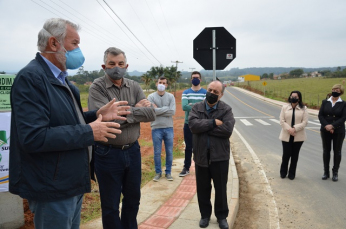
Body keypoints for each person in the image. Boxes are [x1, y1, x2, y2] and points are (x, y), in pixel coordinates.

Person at [9, 18, 130, 229]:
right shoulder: (31, 78)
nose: (78, 50)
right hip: (52, 186)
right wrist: (89, 132)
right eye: (74, 43)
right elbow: (34, 137)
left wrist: (96, 115)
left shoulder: (63, 80)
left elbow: (68, 121)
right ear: (54, 43)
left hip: (70, 182)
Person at [88, 47, 156, 229]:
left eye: (120, 64)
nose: (116, 67)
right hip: (107, 153)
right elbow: (104, 119)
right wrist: (136, 108)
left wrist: (124, 112)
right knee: (110, 206)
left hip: (133, 151)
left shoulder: (133, 86)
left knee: (133, 199)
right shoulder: (97, 87)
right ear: (104, 66)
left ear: (126, 65)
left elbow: (150, 114)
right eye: (112, 64)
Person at [188, 80, 235, 229]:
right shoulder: (196, 107)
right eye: (210, 90)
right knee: (203, 188)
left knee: (221, 188)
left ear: (220, 95)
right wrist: (214, 123)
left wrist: (204, 126)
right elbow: (193, 126)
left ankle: (221, 217)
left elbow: (227, 130)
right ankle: (205, 216)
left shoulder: (226, 110)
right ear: (206, 90)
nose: (212, 93)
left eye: (216, 92)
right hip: (201, 155)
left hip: (220, 156)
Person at [147, 77, 176, 182]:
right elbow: (150, 111)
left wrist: (157, 109)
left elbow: (172, 112)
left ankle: (168, 172)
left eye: (164, 83)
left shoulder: (171, 96)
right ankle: (158, 172)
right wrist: (166, 108)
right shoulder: (150, 97)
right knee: (157, 152)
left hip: (169, 128)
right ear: (156, 83)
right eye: (160, 82)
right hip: (156, 128)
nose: (162, 84)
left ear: (166, 85)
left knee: (169, 151)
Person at [179, 71, 207, 177]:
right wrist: (198, 106)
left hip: (201, 124)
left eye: (197, 77)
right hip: (188, 123)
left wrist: (192, 105)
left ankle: (200, 168)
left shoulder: (205, 93)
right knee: (188, 147)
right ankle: (186, 167)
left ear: (200, 79)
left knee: (200, 146)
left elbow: (205, 108)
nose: (195, 79)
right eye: (193, 77)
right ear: (191, 79)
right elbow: (184, 107)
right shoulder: (186, 92)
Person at [318, 84, 346, 182]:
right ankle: (326, 172)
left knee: (337, 152)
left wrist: (333, 126)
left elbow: (343, 117)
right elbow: (321, 115)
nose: (334, 91)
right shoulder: (325, 102)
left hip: (339, 131)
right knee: (326, 151)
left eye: (337, 90)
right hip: (325, 130)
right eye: (333, 89)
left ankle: (335, 173)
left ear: (340, 91)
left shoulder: (343, 103)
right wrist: (327, 126)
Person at [279, 91, 308, 180]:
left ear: (299, 98)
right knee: (286, 154)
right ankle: (283, 172)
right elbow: (282, 121)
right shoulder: (285, 107)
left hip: (298, 135)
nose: (293, 98)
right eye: (292, 96)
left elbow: (305, 122)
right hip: (286, 134)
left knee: (295, 155)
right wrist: (289, 129)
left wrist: (295, 128)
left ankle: (292, 173)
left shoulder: (304, 109)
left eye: (295, 96)